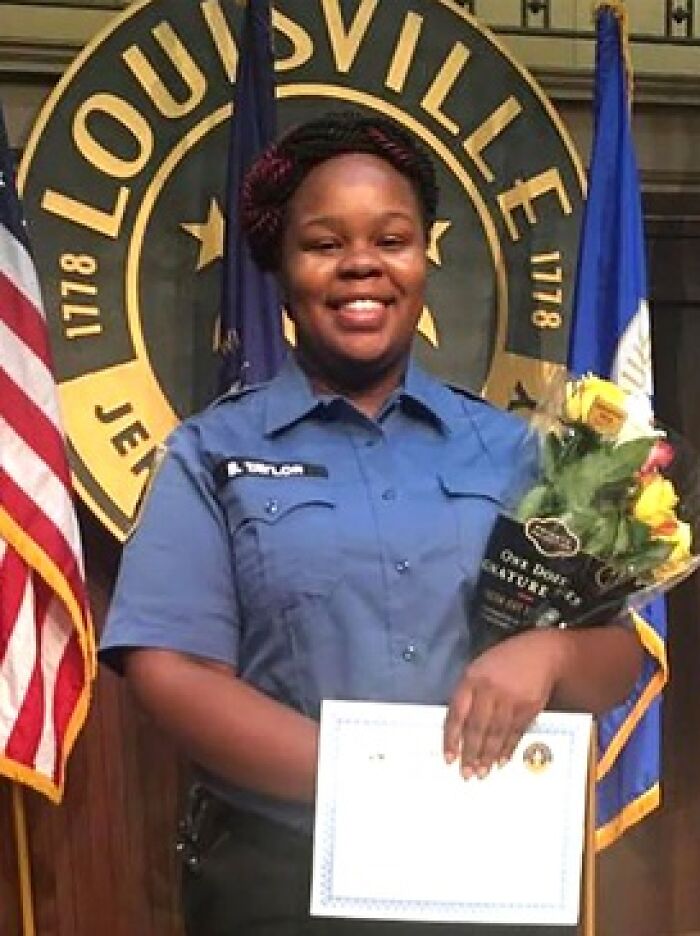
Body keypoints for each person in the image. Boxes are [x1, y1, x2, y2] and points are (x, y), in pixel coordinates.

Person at [100, 112, 643, 936]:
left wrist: (555, 649)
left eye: (392, 238)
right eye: (323, 243)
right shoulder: (210, 454)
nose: (362, 263)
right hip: (280, 880)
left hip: (488, 867)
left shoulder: (519, 452)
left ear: (424, 258)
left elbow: (614, 663)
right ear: (281, 272)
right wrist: (375, 781)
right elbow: (170, 672)